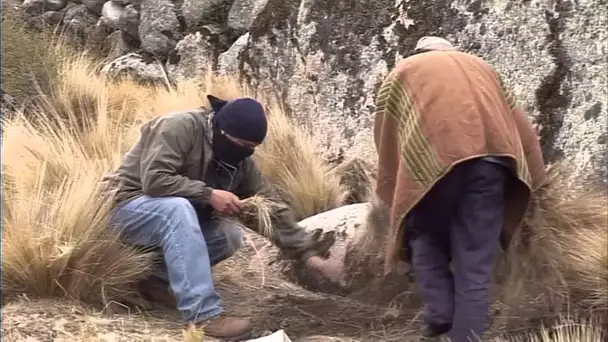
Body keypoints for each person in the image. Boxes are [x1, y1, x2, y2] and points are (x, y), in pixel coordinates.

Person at [102, 95, 341, 340]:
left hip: (171, 219)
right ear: (220, 129)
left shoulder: (240, 161)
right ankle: (203, 316)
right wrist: (208, 195)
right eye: (239, 144)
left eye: (251, 148)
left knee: (228, 236)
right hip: (125, 209)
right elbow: (155, 179)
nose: (244, 152)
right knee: (178, 210)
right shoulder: (178, 127)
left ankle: (154, 282)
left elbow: (270, 207)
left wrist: (307, 254)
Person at [372, 36, 546, 342]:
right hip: (491, 165)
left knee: (424, 233)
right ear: (452, 52)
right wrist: (537, 177)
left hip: (432, 166)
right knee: (475, 263)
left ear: (419, 53)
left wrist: (395, 181)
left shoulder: (402, 70)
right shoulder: (484, 68)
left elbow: (385, 135)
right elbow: (522, 127)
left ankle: (440, 311)